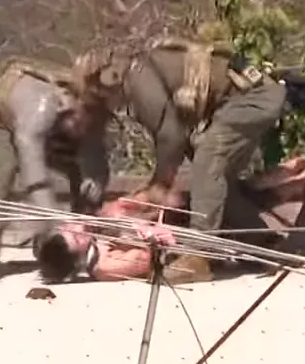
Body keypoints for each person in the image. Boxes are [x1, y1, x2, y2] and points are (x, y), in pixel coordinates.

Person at [73, 36, 286, 284]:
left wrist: (159, 185)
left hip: (254, 99)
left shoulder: (137, 78)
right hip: (250, 99)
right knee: (214, 177)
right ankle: (262, 243)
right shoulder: (139, 75)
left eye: (96, 93)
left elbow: (170, 137)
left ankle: (200, 256)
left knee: (208, 162)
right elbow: (177, 138)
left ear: (107, 77)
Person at [36, 141, 305, 283]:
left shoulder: (97, 234)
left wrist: (143, 203)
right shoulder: (103, 265)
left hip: (185, 218)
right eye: (70, 234)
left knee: (230, 190)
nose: (74, 227)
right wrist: (147, 233)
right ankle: (300, 178)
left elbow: (131, 206)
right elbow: (148, 258)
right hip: (194, 245)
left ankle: (302, 171)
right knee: (229, 196)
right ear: (74, 251)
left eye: (68, 228)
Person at [0, 57, 117, 282]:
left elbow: (96, 155)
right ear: (71, 110)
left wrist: (96, 181)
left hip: (50, 127)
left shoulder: (91, 112)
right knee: (6, 165)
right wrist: (56, 225)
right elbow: (34, 177)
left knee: (81, 177)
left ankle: (67, 251)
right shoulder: (41, 108)